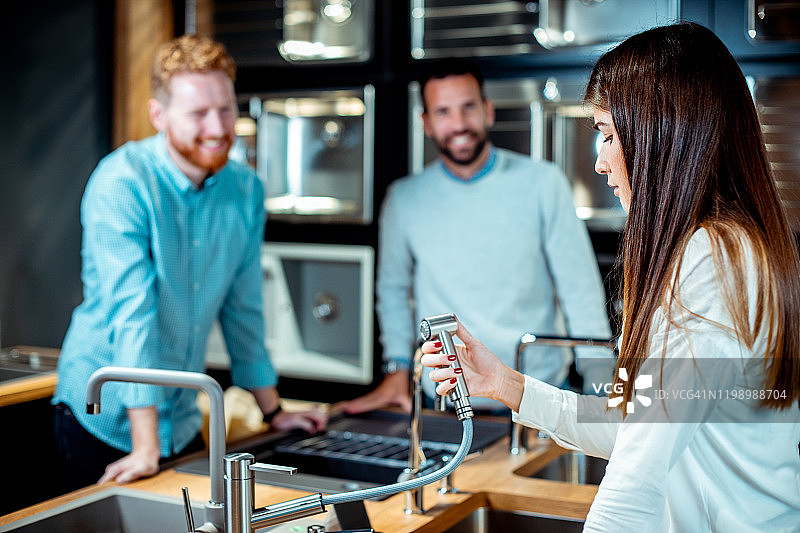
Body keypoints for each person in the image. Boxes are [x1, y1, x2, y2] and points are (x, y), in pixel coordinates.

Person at [421, 22, 800, 532]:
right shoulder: (732, 246)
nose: (599, 162)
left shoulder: (707, 259)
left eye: (607, 134)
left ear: (663, 133)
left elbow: (633, 482)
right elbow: (636, 425)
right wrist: (506, 384)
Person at [52, 35, 327, 491]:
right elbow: (133, 315)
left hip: (180, 419)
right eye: (199, 113)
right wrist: (145, 447)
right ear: (158, 115)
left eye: (225, 109)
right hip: (104, 421)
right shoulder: (122, 183)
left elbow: (244, 306)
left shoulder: (244, 190)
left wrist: (272, 411)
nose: (218, 128)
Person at [338, 57, 614, 413]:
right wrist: (397, 366)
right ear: (425, 123)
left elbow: (580, 290)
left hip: (537, 401)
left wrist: (602, 390)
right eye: (443, 112)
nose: (458, 124)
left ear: (488, 111)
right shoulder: (404, 200)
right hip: (443, 401)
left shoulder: (544, 183)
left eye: (468, 107)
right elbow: (392, 292)